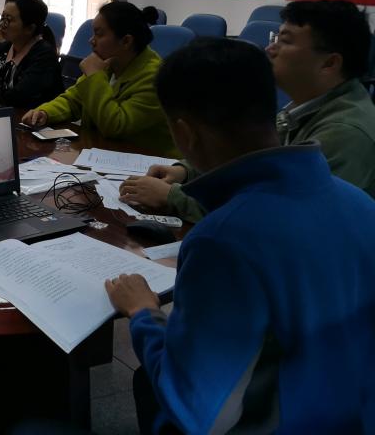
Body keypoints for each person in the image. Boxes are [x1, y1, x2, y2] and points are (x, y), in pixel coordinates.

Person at [104, 37, 375, 433]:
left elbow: (196, 411)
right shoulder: (359, 203)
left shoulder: (224, 239)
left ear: (184, 133)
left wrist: (144, 312)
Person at [121, 0, 375, 220]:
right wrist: (185, 171)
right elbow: (246, 154)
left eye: (285, 41)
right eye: (274, 38)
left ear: (329, 63)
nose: (270, 49)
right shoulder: (306, 105)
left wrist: (174, 198)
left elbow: (282, 218)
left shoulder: (345, 132)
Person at [21, 1, 176, 156]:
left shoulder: (154, 78)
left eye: (99, 34)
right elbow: (73, 100)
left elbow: (116, 126)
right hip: (107, 153)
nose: (91, 40)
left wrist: (94, 76)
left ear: (126, 41)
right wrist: (45, 112)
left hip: (148, 161)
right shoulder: (110, 62)